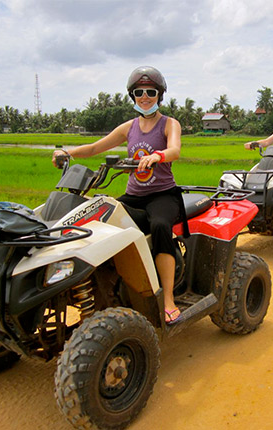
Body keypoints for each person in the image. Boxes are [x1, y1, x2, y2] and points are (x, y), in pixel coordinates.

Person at [52, 66, 183, 324]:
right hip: (133, 196)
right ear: (132, 95)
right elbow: (94, 147)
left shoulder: (169, 124)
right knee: (99, 217)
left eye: (150, 91)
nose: (145, 96)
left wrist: (157, 156)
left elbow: (175, 150)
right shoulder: (129, 127)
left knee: (159, 226)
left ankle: (167, 299)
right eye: (139, 92)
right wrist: (68, 153)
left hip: (163, 196)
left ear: (159, 95)